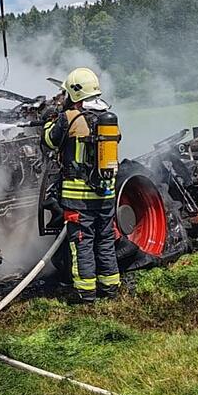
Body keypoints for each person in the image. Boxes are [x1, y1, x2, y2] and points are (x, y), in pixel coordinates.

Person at [42, 67, 121, 302]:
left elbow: (49, 141)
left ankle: (86, 293)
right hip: (106, 194)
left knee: (82, 243)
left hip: (79, 198)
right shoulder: (109, 118)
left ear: (74, 94)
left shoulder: (69, 118)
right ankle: (110, 288)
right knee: (105, 239)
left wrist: (50, 119)